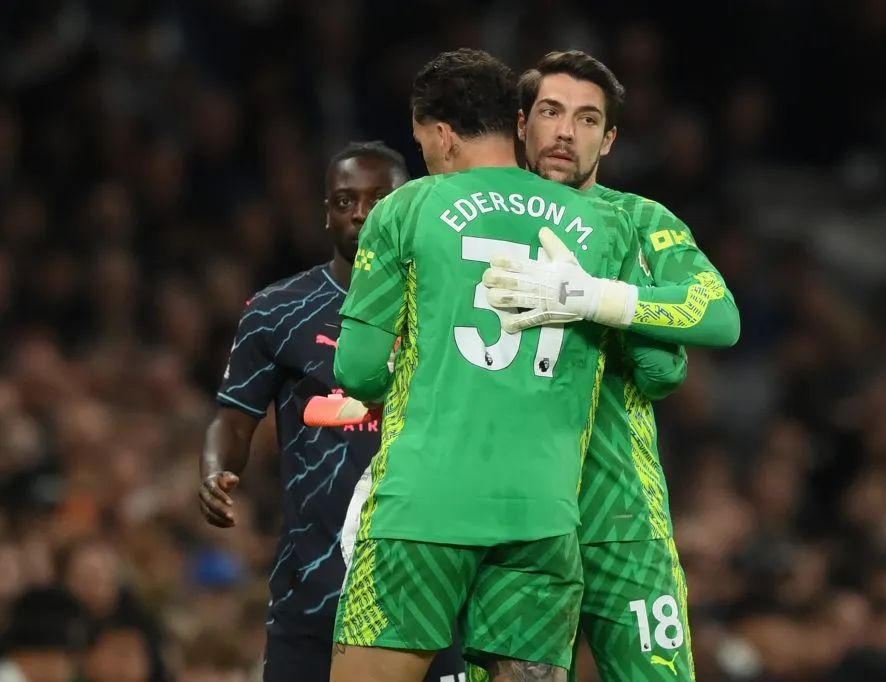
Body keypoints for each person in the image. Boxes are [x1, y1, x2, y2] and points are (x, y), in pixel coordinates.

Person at [328, 48, 687, 682]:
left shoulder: (407, 207)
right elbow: (661, 372)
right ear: (516, 123)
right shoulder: (601, 223)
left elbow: (357, 371)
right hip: (544, 517)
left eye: (421, 143)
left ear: (440, 134)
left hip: (423, 505)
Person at [476, 51, 741, 682]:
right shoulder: (481, 217)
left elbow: (720, 316)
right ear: (521, 124)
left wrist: (594, 296)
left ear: (610, 138)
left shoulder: (641, 220)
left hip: (620, 513)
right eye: (551, 112)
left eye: (588, 119)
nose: (567, 131)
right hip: (516, 516)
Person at [198, 142, 465, 682]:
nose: (362, 212)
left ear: (411, 205)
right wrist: (214, 468)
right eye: (345, 201)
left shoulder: (456, 307)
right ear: (326, 214)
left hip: (437, 589)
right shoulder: (278, 311)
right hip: (315, 596)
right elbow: (233, 416)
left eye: (380, 197)